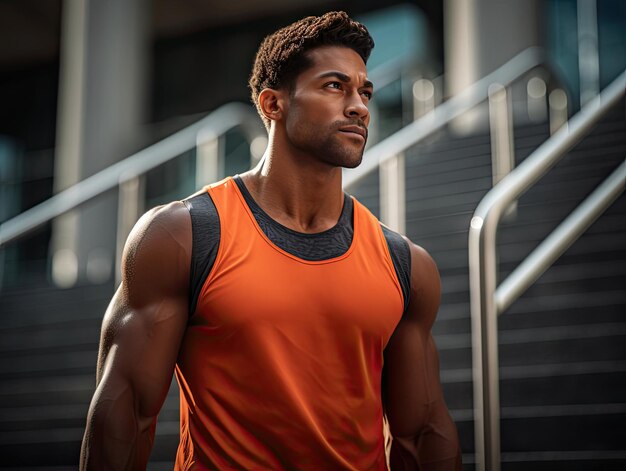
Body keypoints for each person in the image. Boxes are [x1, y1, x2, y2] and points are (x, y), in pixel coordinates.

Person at [80, 11, 461, 470]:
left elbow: (421, 434)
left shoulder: (405, 263)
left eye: (365, 92)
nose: (359, 106)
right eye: (335, 86)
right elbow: (127, 416)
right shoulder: (182, 235)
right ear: (273, 104)